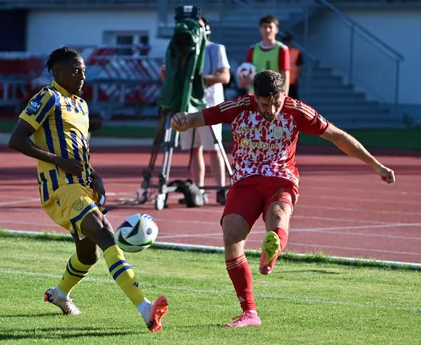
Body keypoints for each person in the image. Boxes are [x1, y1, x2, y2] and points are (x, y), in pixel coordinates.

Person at [170, 70, 395, 328]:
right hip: (245, 182)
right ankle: (250, 313)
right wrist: (183, 120)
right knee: (231, 236)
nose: (272, 109)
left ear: (283, 95)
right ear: (256, 98)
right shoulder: (240, 106)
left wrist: (376, 165)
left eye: (276, 102)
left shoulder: (297, 111)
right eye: (266, 104)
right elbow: (200, 117)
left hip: (281, 179)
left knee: (278, 216)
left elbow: (338, 137)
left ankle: (273, 247)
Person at [8, 47, 168, 332]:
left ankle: (59, 294)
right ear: (57, 73)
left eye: (83, 70)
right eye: (75, 70)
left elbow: (77, 149)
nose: (82, 75)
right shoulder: (47, 97)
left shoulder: (80, 104)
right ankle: (145, 308)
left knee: (87, 255)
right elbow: (17, 139)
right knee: (106, 232)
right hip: (60, 189)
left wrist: (94, 174)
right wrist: (58, 161)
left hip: (82, 186)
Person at [160, 16, 231, 205]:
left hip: (209, 106)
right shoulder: (181, 51)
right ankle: (197, 190)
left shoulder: (215, 49)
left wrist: (197, 79)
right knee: (193, 149)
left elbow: (224, 76)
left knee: (214, 149)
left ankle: (221, 188)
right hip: (187, 107)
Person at [239, 14, 290, 96]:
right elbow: (246, 70)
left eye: (270, 27)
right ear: (260, 29)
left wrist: (284, 95)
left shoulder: (282, 49)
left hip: (274, 95)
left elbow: (285, 74)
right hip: (255, 94)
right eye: (264, 27)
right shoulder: (253, 49)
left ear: (276, 29)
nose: (267, 30)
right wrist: (244, 79)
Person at [283, 33, 303, 99]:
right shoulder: (281, 52)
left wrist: (298, 78)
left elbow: (300, 67)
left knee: (293, 100)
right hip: (282, 81)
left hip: (292, 82)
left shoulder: (296, 52)